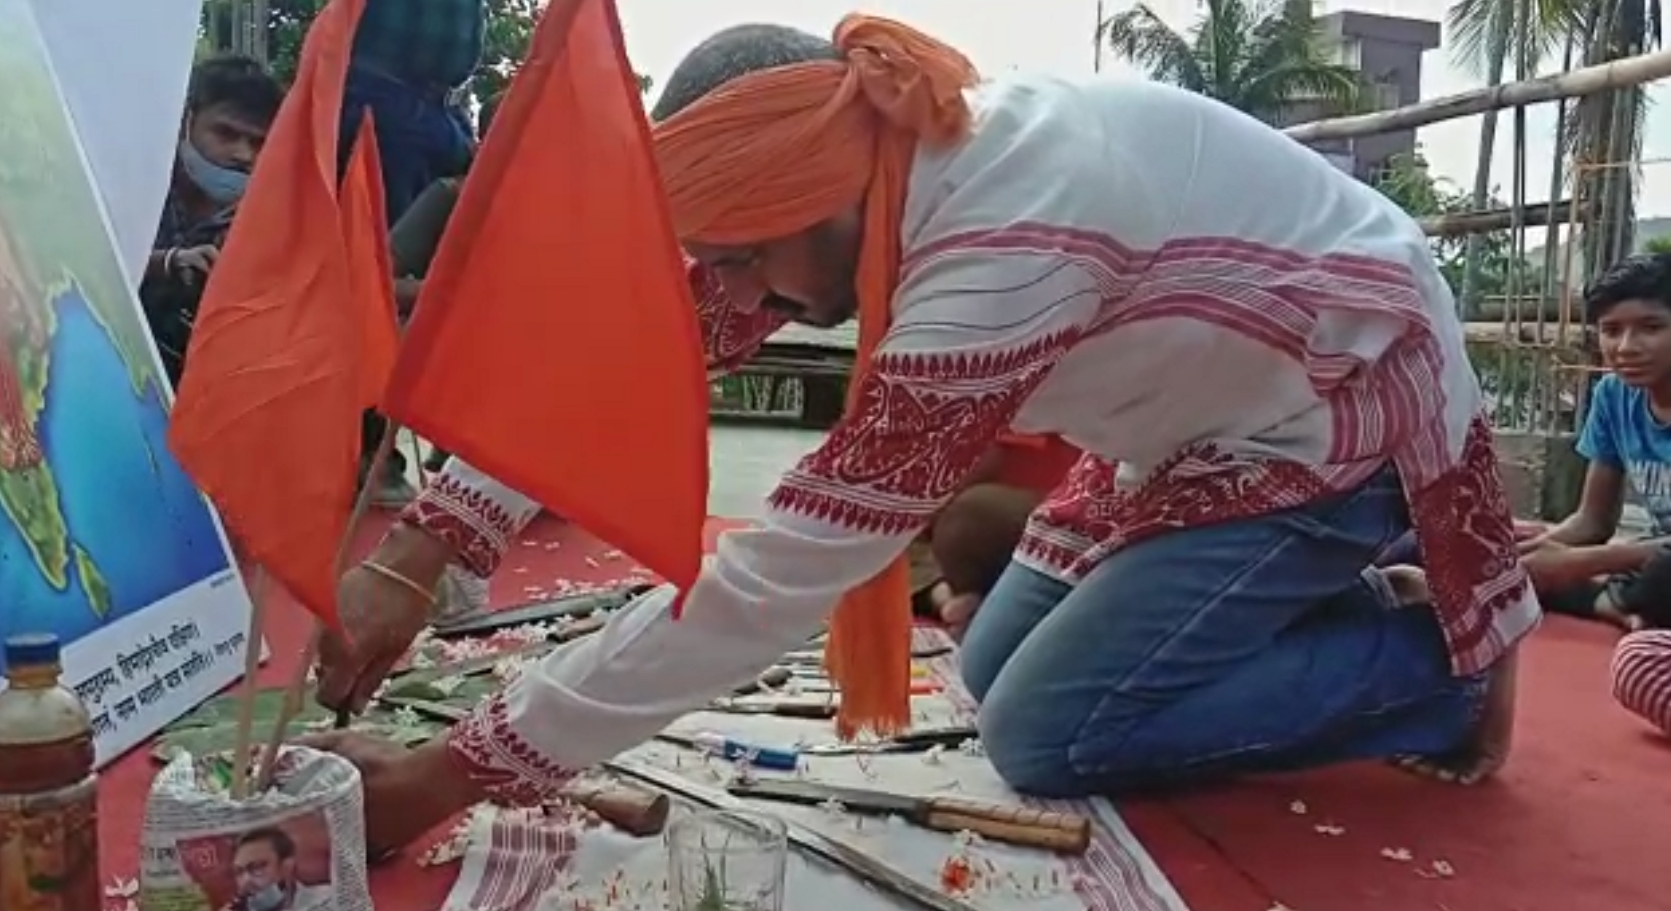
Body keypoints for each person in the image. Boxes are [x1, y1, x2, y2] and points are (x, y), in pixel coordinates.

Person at [304, 18, 1537, 855]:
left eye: (742, 254)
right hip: (1181, 427)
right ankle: (1295, 611)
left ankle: (1434, 668)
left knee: (1047, 733)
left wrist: (450, 775)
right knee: (1000, 672)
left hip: (1322, 427)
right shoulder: (857, 187)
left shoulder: (1006, 235)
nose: (731, 292)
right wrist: (414, 555)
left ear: (825, 181)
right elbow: (633, 357)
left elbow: (781, 576)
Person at [343, 0, 486, 506]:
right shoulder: (372, 111)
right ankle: (365, 453)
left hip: (438, 108)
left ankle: (463, 447)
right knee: (377, 279)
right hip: (382, 101)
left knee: (463, 277)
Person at [1515, 253, 1671, 632]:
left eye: (1651, 327)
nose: (1626, 346)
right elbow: (1593, 521)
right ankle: (1621, 604)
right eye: (1611, 330)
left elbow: (1595, 551)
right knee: (1508, 569)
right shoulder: (1613, 396)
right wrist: (1524, 557)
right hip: (1649, 563)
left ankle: (1617, 602)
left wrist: (1578, 563)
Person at [142, 55, 283, 387]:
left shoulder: (264, 226)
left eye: (257, 143)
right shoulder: (134, 192)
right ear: (185, 121)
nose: (243, 155)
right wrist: (168, 263)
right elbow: (83, 265)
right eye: (226, 133)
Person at [225, 828, 331, 911]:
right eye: (239, 872)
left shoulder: (327, 899)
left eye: (257, 867)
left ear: (286, 867)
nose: (245, 880)